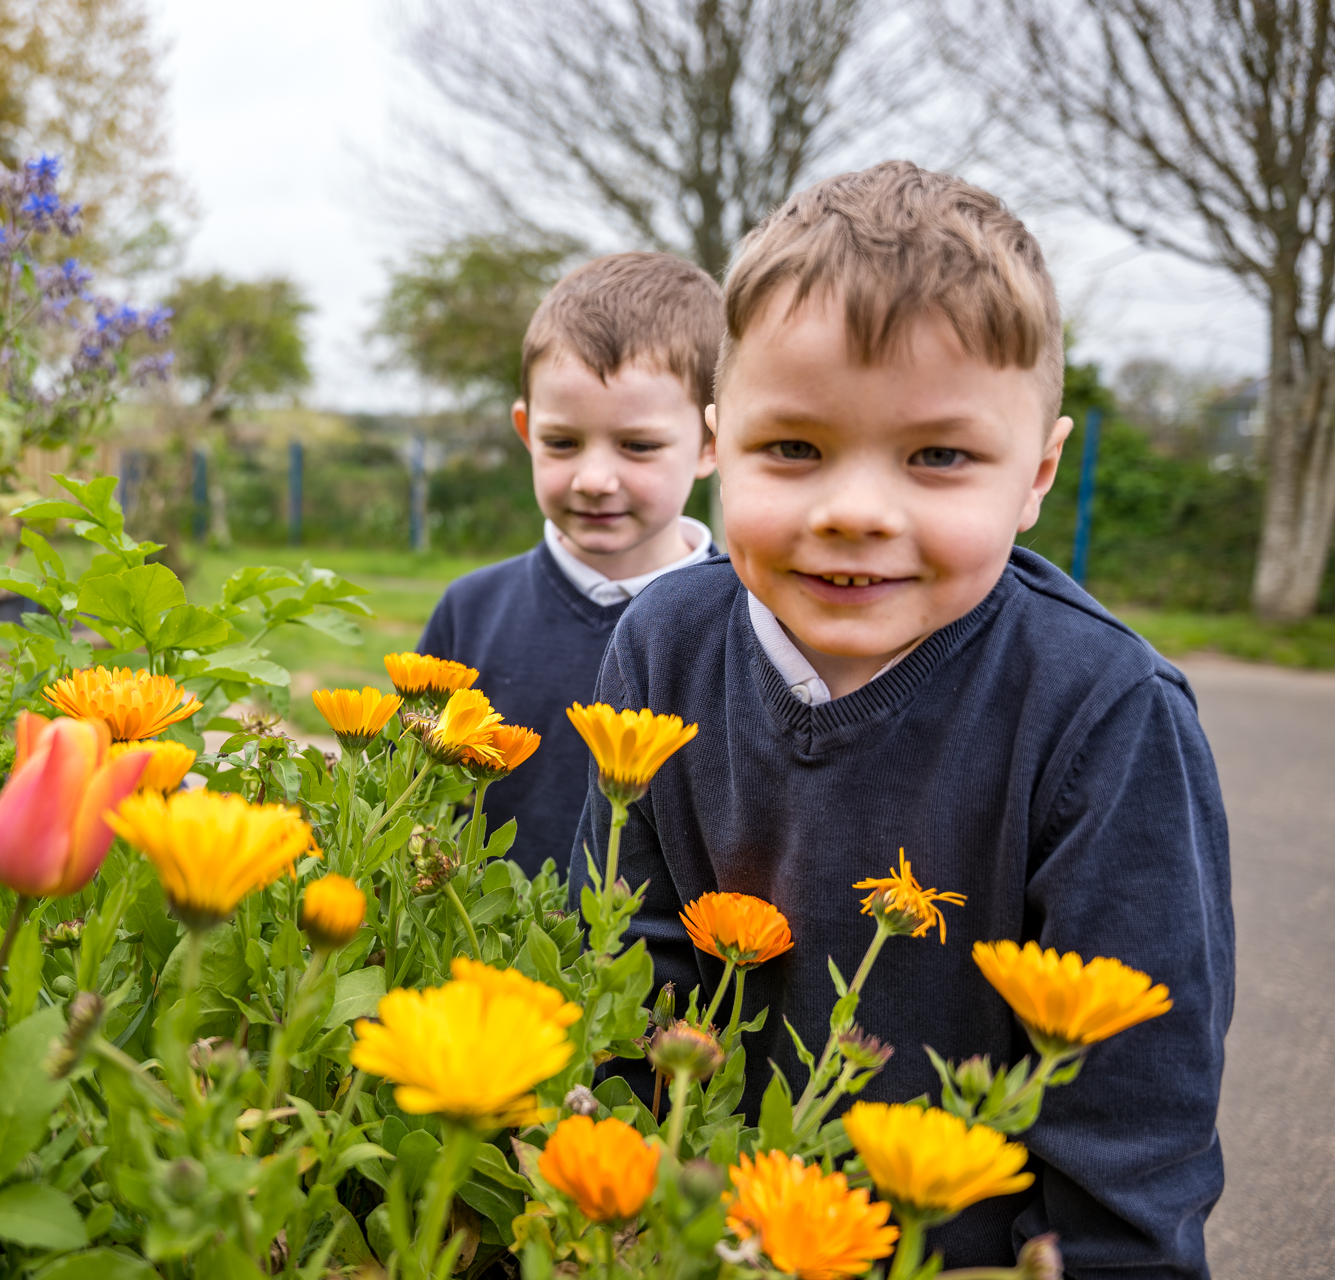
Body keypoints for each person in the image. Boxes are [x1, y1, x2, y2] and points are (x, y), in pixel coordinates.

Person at [570, 162, 1231, 1273]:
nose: (856, 511)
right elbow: (628, 976)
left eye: (939, 457)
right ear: (719, 444)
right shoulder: (660, 643)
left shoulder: (1108, 715)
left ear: (1037, 473)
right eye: (794, 448)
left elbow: (1132, 1134)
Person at [418, 252, 723, 880]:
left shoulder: (746, 622)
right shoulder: (471, 610)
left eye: (638, 445)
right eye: (562, 443)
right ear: (526, 430)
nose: (594, 479)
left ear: (711, 442)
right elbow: (416, 801)